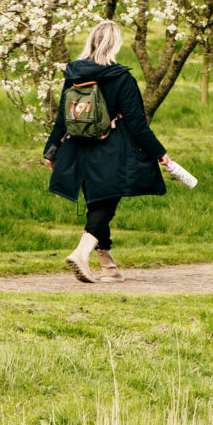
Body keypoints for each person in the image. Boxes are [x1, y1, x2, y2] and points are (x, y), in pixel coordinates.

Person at [44, 20, 171, 283]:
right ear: (115, 44)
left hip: (78, 149)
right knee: (106, 205)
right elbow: (137, 123)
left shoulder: (74, 74)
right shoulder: (121, 77)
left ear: (90, 41)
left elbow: (62, 117)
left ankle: (109, 268)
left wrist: (52, 149)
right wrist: (159, 152)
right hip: (111, 151)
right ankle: (81, 253)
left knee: (97, 204)